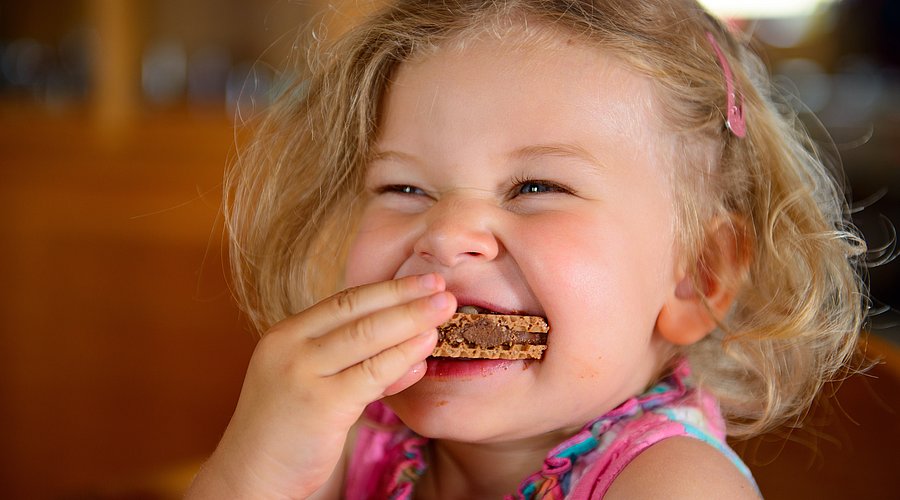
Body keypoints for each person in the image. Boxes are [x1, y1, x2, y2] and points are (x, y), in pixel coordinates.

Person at [187, 0, 867, 498]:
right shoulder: (350, 439)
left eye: (536, 186)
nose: (447, 233)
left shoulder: (670, 485)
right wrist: (256, 470)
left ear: (696, 275)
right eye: (403, 186)